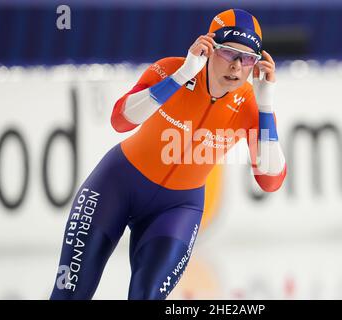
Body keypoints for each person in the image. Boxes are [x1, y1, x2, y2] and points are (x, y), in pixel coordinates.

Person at [50, 8, 287, 300]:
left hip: (177, 208)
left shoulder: (251, 105)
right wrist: (181, 76)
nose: (237, 67)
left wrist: (266, 107)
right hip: (116, 184)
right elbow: (121, 120)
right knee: (69, 292)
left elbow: (270, 181)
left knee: (146, 295)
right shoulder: (169, 69)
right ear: (209, 47)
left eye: (248, 58)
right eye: (228, 53)